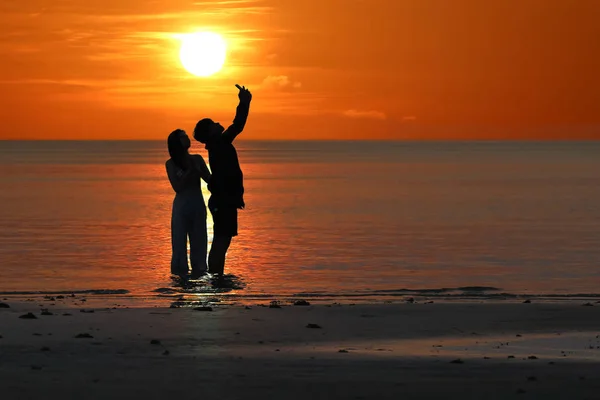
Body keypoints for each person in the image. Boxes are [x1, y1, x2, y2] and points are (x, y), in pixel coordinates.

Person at [193, 84, 252, 281]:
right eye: (212, 123)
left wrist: (244, 102)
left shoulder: (218, 145)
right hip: (222, 201)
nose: (218, 123)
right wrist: (243, 103)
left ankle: (216, 275)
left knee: (223, 240)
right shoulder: (220, 144)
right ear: (210, 133)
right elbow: (237, 125)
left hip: (224, 200)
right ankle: (215, 277)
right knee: (221, 240)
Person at [166, 129, 211, 278]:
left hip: (197, 205)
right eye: (183, 137)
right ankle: (179, 279)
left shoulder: (197, 159)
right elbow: (177, 187)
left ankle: (199, 275)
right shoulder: (171, 164)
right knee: (179, 244)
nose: (187, 138)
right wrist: (190, 172)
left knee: (199, 243)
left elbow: (210, 180)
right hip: (181, 207)